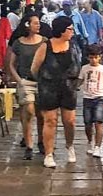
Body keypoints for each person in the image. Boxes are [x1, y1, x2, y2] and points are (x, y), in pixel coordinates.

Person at [31, 16, 79, 169]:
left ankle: (69, 146)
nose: (72, 32)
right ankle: (49, 153)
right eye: (70, 29)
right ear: (62, 30)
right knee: (50, 120)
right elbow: (35, 68)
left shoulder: (73, 46)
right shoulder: (46, 46)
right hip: (49, 88)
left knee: (69, 121)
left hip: (68, 88)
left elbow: (78, 65)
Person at [5, 11, 46, 160]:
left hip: (42, 82)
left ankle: (41, 142)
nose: (38, 25)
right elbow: (11, 64)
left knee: (41, 114)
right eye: (35, 23)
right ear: (27, 25)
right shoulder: (19, 43)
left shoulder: (44, 42)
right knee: (28, 111)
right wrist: (18, 80)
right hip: (25, 81)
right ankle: (29, 144)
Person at [78, 49, 103, 158]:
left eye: (96, 57)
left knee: (98, 122)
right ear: (88, 57)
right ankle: (90, 141)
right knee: (87, 123)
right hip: (87, 98)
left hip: (99, 98)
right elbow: (80, 81)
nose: (93, 60)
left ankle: (98, 146)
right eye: (91, 57)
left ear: (100, 57)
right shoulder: (84, 68)